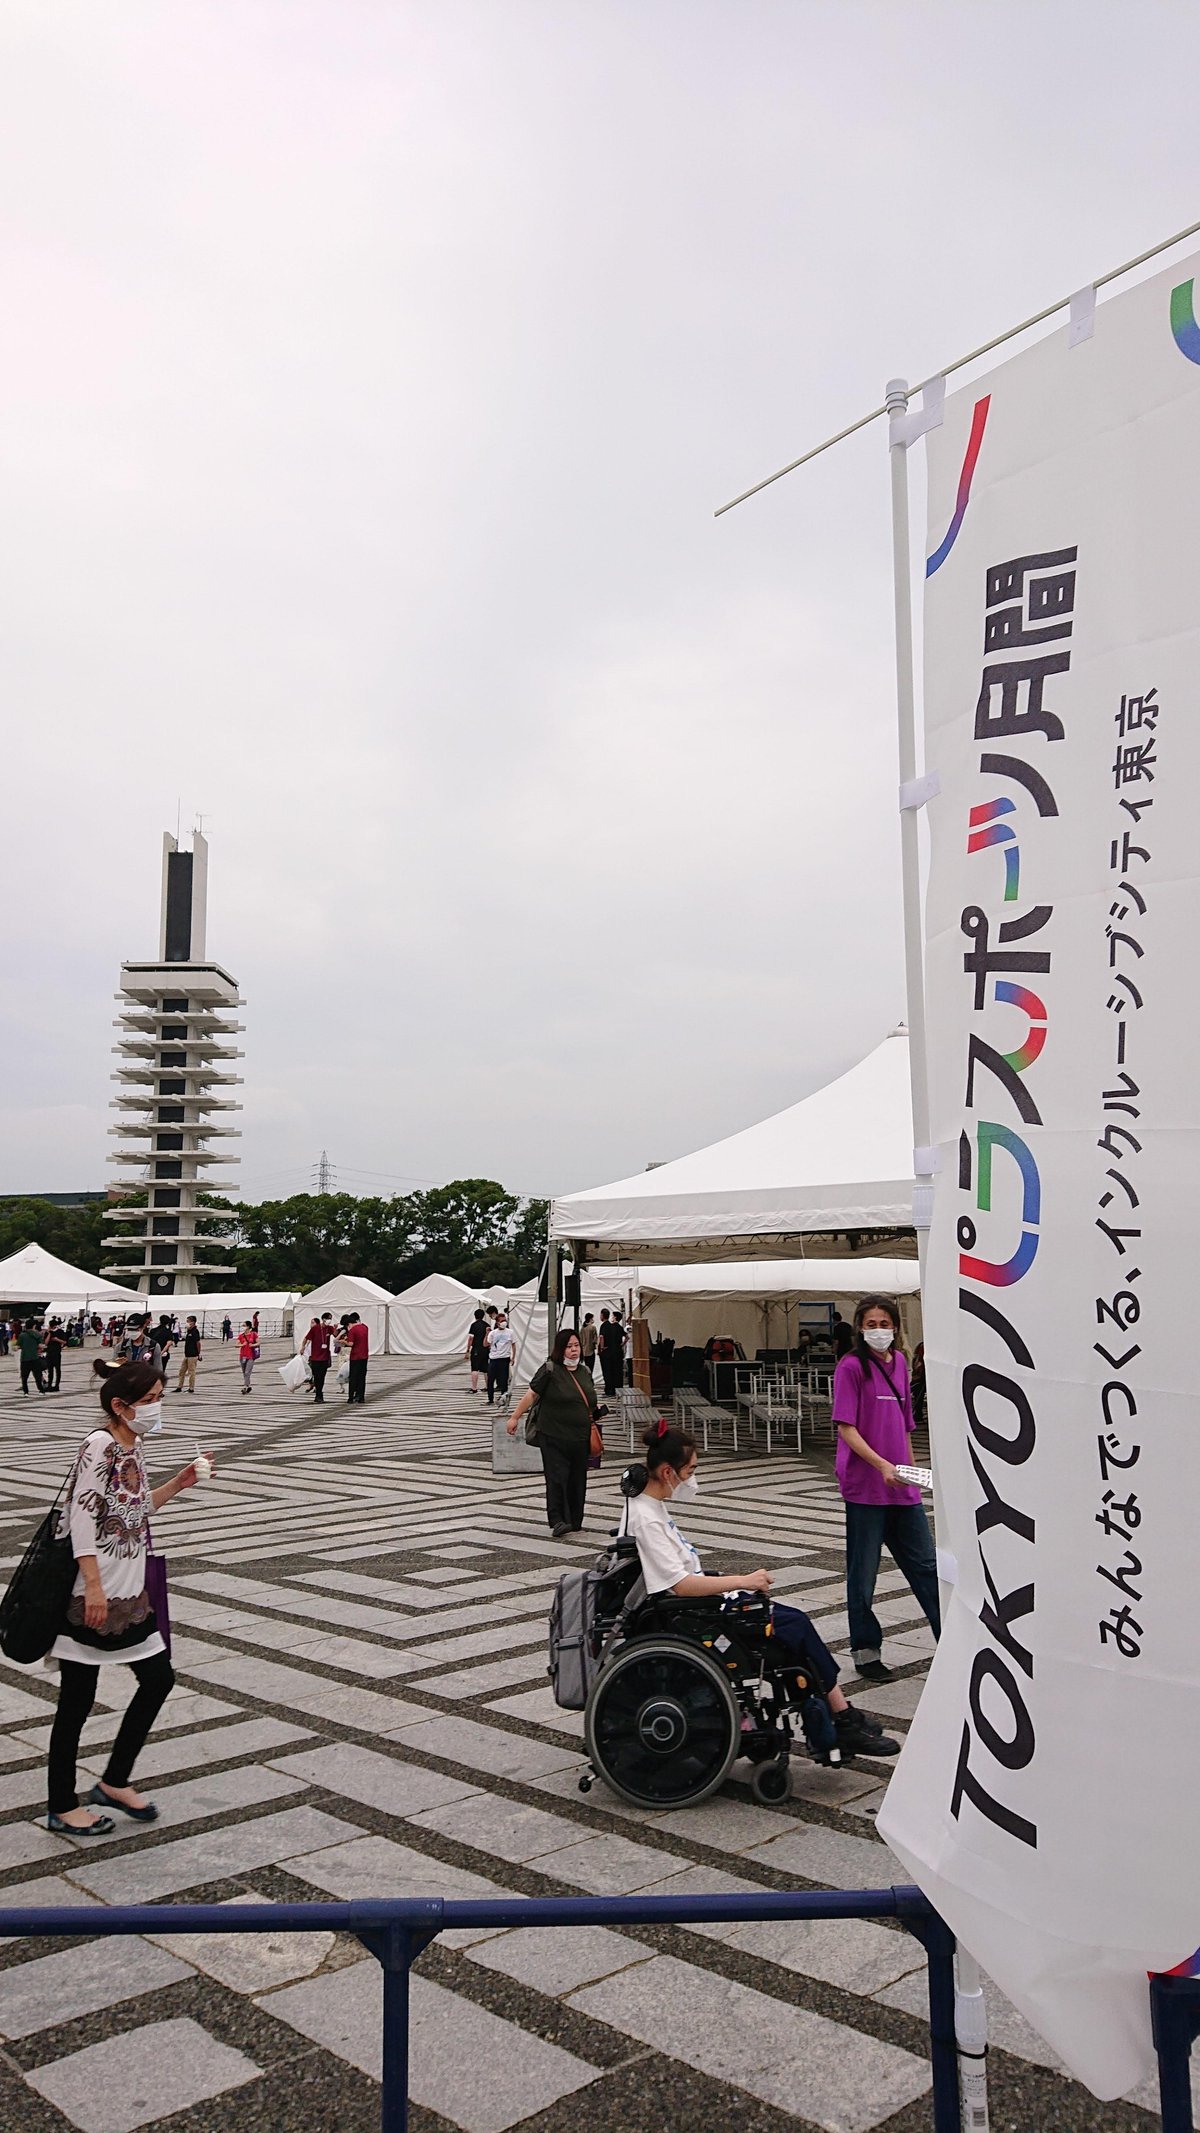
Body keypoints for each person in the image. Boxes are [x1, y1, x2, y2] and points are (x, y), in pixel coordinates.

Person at [626, 1420, 899, 1760]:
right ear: (668, 1472)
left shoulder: (648, 1507)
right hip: (694, 1615)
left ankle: (840, 1717)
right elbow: (680, 1585)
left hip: (697, 1608)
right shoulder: (648, 1518)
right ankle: (841, 1719)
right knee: (795, 1627)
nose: (693, 1478)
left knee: (793, 1624)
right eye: (691, 1469)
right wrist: (742, 1581)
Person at [45, 1356, 215, 1834]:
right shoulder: (99, 1444)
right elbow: (81, 1517)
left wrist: (179, 1483)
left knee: (158, 1679)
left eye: (160, 1398)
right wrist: (93, 1586)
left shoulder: (133, 1444)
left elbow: (138, 1509)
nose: (157, 1408)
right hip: (92, 1594)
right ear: (120, 1406)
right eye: (148, 1401)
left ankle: (115, 1780)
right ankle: (62, 1804)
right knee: (77, 1701)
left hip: (130, 1593)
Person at [832, 1294, 941, 1683]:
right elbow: (846, 1426)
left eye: (884, 1323)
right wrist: (881, 1465)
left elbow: (906, 1424)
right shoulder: (850, 1367)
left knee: (927, 1567)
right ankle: (866, 1650)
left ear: (895, 1327)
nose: (878, 1330)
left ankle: (948, 1642)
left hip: (901, 1486)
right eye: (871, 1324)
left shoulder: (901, 1367)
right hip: (865, 1485)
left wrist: (908, 1471)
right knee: (864, 1572)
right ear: (860, 1327)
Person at [507, 1327, 602, 1538]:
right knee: (557, 1477)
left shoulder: (584, 1372)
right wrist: (515, 1417)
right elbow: (532, 1394)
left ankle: (575, 1520)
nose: (574, 1351)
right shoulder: (550, 1369)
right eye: (569, 1347)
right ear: (560, 1349)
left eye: (576, 1346)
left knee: (578, 1479)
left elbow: (590, 1400)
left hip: (580, 1437)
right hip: (553, 1435)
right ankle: (558, 1520)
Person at [301, 1314, 334, 1403]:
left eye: (330, 1319)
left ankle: (319, 1394)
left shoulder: (329, 1328)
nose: (329, 1321)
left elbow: (335, 1335)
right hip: (315, 1357)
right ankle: (318, 1394)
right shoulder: (315, 1329)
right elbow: (306, 1338)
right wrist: (302, 1347)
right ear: (323, 1319)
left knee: (322, 1377)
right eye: (327, 1319)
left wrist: (336, 1328)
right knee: (317, 1376)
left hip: (325, 1357)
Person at [485, 1312, 515, 1406]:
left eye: (505, 1320)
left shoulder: (510, 1332)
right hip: (494, 1359)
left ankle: (504, 1398)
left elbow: (513, 1345)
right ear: (497, 1323)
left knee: (504, 1380)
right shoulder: (493, 1333)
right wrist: (487, 1334)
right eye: (502, 1321)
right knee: (491, 1379)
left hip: (504, 1358)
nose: (504, 1322)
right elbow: (486, 1344)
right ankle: (490, 1399)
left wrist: (513, 1357)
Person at [344, 1311, 370, 1404]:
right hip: (364, 1356)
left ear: (350, 1323)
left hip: (355, 1357)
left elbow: (351, 1344)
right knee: (362, 1377)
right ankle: (361, 1396)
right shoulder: (365, 1327)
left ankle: (351, 1397)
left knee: (353, 1377)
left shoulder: (353, 1330)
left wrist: (343, 1341)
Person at [597, 1309, 623, 1398]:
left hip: (605, 1353)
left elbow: (601, 1337)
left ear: (602, 1315)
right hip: (614, 1352)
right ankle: (613, 1389)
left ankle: (608, 1390)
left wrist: (601, 1347)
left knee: (606, 1372)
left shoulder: (604, 1326)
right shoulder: (613, 1326)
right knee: (613, 1371)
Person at [465, 1308, 489, 1395]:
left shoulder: (474, 1325)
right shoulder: (487, 1325)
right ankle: (488, 1386)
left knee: (475, 1368)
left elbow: (471, 1338)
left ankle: (474, 1388)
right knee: (486, 1369)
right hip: (486, 1349)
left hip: (476, 1349)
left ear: (475, 1316)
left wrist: (467, 1350)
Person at [176, 1316, 202, 1394]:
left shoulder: (195, 1331)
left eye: (188, 1321)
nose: (187, 1323)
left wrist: (199, 1353)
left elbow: (198, 1342)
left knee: (191, 1372)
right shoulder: (189, 1331)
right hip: (187, 1355)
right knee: (181, 1371)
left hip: (193, 1355)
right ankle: (179, 1386)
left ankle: (191, 1388)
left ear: (193, 1322)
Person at [18, 1319, 44, 1396]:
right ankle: (41, 1390)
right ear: (34, 1326)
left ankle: (26, 1392)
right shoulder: (37, 1335)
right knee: (37, 1375)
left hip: (25, 1358)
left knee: (24, 1376)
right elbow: (40, 1346)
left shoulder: (22, 1335)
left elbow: (18, 1345)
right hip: (34, 1357)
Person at [43, 1319, 65, 1393]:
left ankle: (57, 1385)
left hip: (57, 1353)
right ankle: (49, 1385)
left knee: (57, 1370)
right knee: (50, 1370)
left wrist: (57, 1339)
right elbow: (45, 1343)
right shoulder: (48, 1333)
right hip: (49, 1353)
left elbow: (64, 1341)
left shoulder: (60, 1332)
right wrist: (49, 1333)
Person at [237, 1320, 258, 1394]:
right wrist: (242, 1345)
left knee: (247, 1372)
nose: (243, 1327)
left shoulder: (253, 1334)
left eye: (244, 1325)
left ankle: (245, 1387)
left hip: (250, 1356)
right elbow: (236, 1345)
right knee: (244, 1373)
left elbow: (258, 1342)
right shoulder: (241, 1335)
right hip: (242, 1356)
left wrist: (253, 1345)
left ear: (248, 1326)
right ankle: (248, 1386)